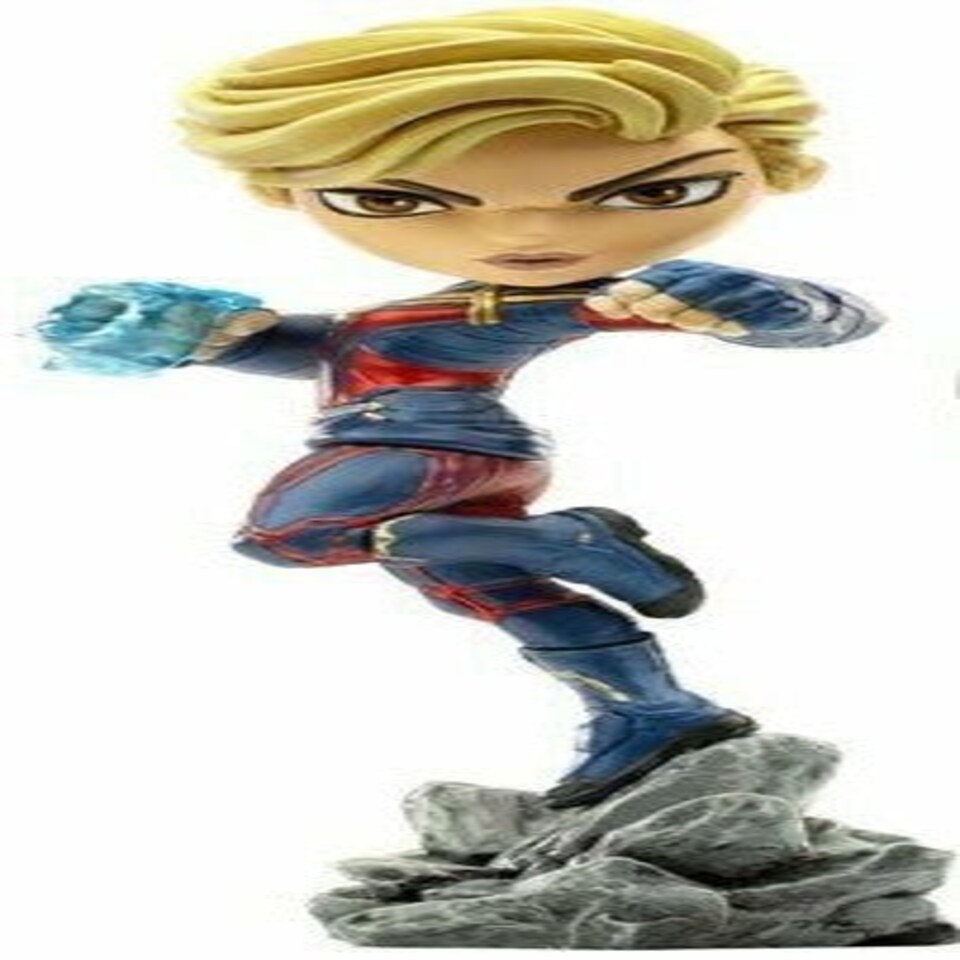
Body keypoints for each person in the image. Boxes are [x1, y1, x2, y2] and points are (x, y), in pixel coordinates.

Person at [38, 6, 884, 808]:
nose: (523, 233)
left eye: (653, 192)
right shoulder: (404, 317)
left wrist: (777, 305)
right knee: (454, 569)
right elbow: (324, 348)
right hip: (433, 464)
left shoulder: (526, 305)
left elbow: (828, 317)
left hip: (434, 450)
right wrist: (203, 336)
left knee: (286, 535)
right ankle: (654, 709)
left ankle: (577, 542)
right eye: (392, 198)